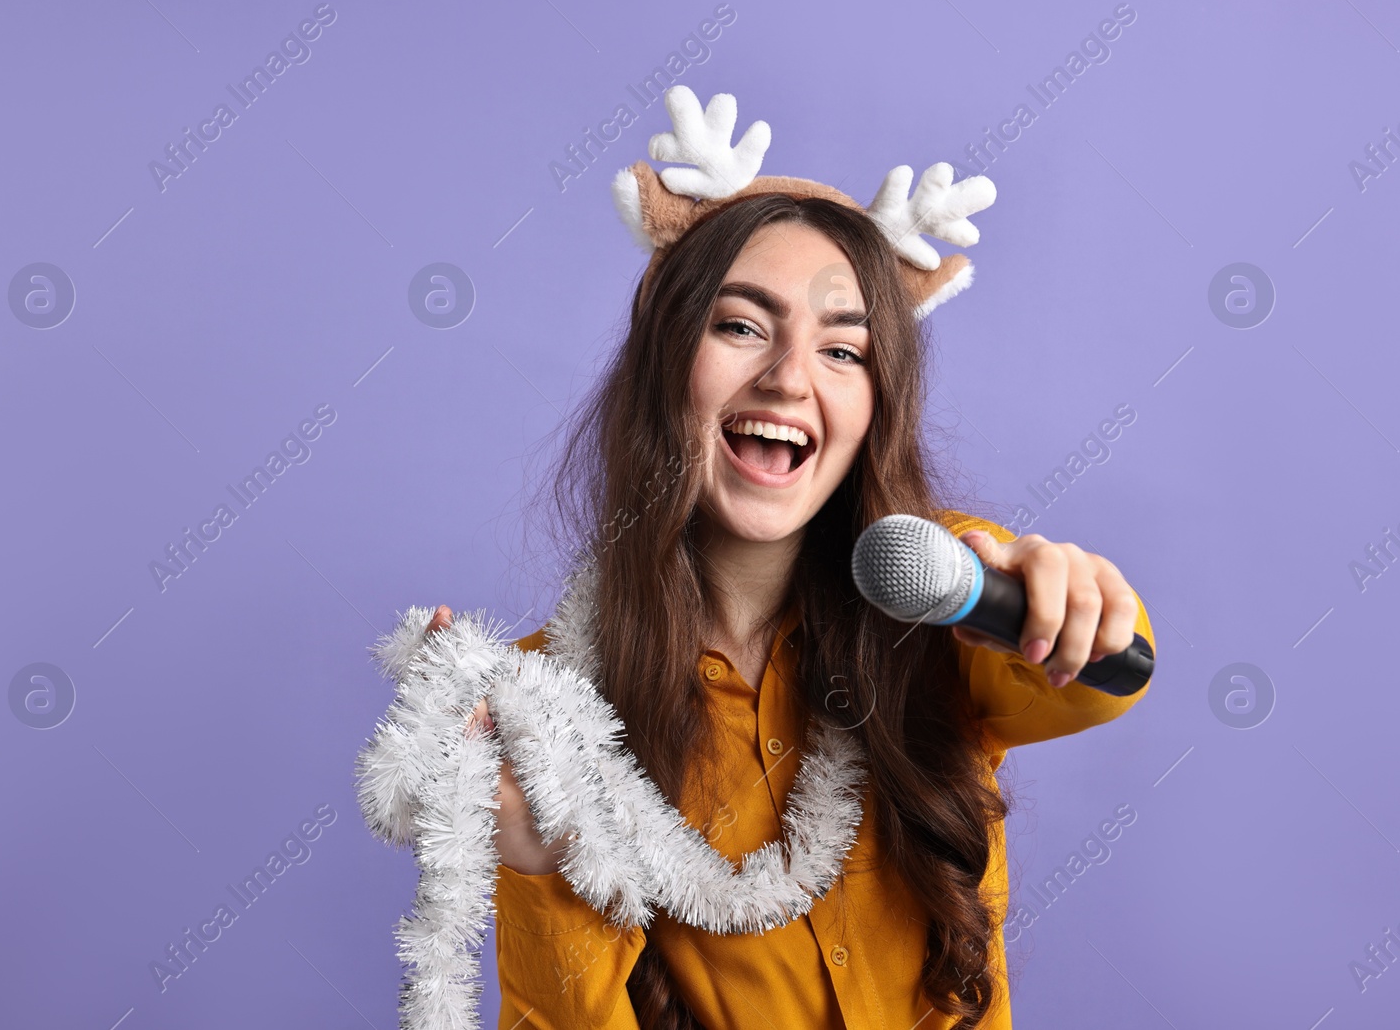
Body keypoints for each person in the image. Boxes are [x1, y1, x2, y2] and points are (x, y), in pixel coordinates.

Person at [416, 98, 1154, 1029]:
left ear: (875, 405)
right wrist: (539, 865)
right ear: (662, 364)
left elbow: (1100, 680)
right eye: (740, 326)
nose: (791, 376)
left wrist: (1062, 594)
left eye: (843, 348)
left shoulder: (937, 591)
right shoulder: (553, 706)